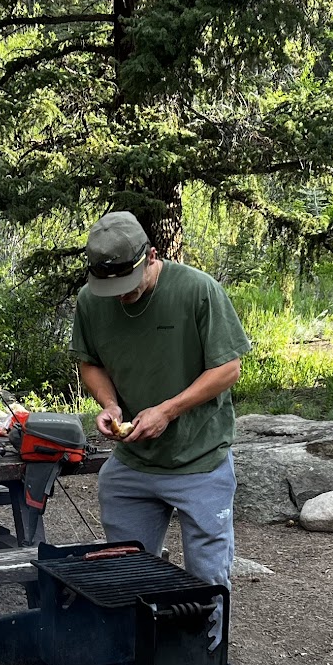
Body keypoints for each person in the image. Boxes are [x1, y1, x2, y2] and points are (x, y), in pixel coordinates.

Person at [71, 210, 251, 587]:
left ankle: (204, 628)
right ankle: (142, 626)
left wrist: (167, 411)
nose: (120, 296)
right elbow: (91, 363)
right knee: (128, 574)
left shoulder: (197, 290)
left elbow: (228, 369)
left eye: (128, 284)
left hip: (200, 458)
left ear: (151, 256)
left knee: (207, 581)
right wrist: (110, 404)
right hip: (133, 462)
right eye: (111, 288)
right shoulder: (90, 301)